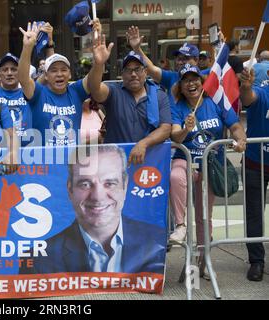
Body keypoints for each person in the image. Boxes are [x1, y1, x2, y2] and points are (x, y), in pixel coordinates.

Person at [20, 145, 166, 274]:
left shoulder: (155, 242)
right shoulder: (38, 259)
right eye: (85, 184)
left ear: (125, 186)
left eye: (109, 183)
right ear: (70, 189)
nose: (97, 197)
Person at [169, 65, 246, 273]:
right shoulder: (177, 107)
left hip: (210, 165)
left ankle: (204, 257)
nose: (191, 83)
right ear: (181, 87)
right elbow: (175, 136)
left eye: (195, 79)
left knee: (204, 214)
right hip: (184, 160)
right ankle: (180, 225)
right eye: (186, 80)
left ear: (202, 82)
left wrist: (240, 139)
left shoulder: (215, 102)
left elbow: (235, 125)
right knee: (175, 176)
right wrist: (186, 128)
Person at [89, 31, 172, 166]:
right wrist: (98, 64)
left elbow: (165, 129)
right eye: (128, 70)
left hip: (149, 165)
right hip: (114, 165)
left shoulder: (158, 95)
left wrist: (143, 144)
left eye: (138, 69)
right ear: (122, 74)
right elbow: (95, 90)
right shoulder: (114, 91)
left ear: (145, 72)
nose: (133, 74)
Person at [18, 21, 98, 147]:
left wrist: (99, 62)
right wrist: (27, 48)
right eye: (54, 71)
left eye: (64, 70)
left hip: (72, 163)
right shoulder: (39, 93)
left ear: (70, 74)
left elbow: (94, 79)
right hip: (44, 163)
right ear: (46, 76)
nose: (59, 74)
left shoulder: (76, 91)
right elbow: (23, 79)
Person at [126, 26, 208, 108]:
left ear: (196, 60)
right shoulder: (171, 77)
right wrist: (136, 48)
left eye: (184, 59)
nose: (180, 62)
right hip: (173, 120)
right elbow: (151, 69)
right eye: (178, 59)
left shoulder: (206, 76)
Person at [239, 68, 269, 281]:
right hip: (255, 163)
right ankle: (256, 261)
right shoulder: (262, 91)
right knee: (254, 214)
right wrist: (246, 86)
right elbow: (249, 98)